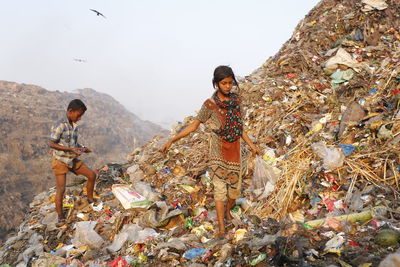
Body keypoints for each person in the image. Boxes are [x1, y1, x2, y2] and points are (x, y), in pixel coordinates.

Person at [161, 65, 261, 238]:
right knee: (220, 190)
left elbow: (240, 127)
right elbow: (193, 126)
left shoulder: (237, 101)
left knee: (234, 191)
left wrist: (252, 146)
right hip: (217, 150)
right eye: (224, 83)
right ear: (216, 84)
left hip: (235, 150)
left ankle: (228, 213)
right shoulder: (209, 105)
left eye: (230, 83)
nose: (228, 86)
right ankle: (222, 227)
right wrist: (172, 139)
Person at [49, 99, 96, 225]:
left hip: (72, 158)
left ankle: (90, 200)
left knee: (92, 175)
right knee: (61, 189)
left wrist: (82, 148)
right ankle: (60, 216)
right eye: (79, 115)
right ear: (70, 111)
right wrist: (70, 149)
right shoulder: (60, 125)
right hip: (60, 160)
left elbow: (73, 144)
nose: (80, 118)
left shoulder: (74, 126)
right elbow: (52, 143)